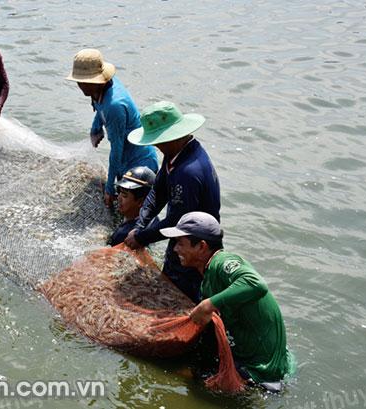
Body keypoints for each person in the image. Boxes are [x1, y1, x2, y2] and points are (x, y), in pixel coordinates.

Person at [160, 211, 296, 388]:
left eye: (180, 243)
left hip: (262, 371)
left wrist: (209, 304)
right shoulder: (207, 276)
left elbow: (256, 284)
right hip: (259, 358)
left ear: (201, 246)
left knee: (194, 383)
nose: (175, 249)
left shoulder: (223, 262)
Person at [124, 101, 221, 302]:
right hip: (181, 241)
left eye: (158, 140)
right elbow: (156, 193)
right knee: (167, 291)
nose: (155, 146)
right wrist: (139, 226)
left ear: (172, 137)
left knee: (183, 299)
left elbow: (176, 222)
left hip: (196, 250)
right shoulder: (175, 156)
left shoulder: (187, 172)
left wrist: (141, 238)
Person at [66, 49, 158, 207]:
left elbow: (116, 150)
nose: (78, 85)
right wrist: (96, 128)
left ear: (93, 82)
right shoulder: (102, 88)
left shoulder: (114, 106)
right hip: (125, 160)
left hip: (140, 165)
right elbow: (98, 104)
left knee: (134, 214)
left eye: (81, 81)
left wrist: (109, 189)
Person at [107, 166, 156, 246]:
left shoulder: (124, 235)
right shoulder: (155, 222)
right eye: (119, 192)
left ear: (141, 201)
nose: (118, 198)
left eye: (124, 195)